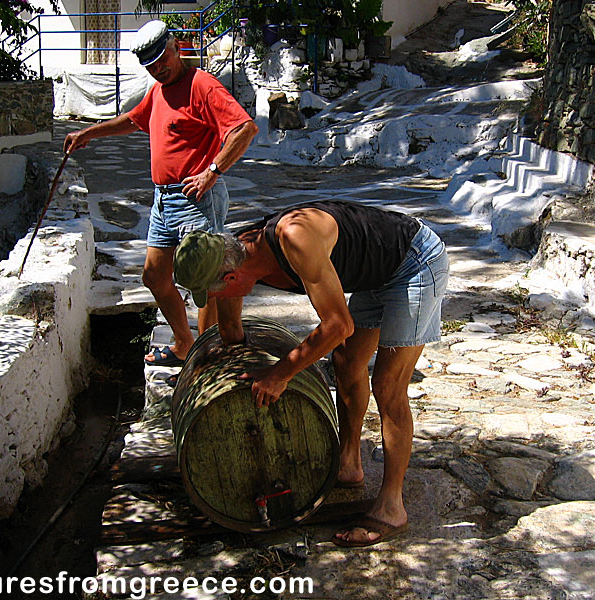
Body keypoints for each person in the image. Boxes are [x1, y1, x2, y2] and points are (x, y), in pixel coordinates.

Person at [172, 200, 449, 547]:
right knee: (346, 363)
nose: (213, 299)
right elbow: (230, 329)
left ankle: (392, 507)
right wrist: (224, 370)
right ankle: (349, 465)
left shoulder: (295, 238)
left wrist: (280, 373)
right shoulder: (232, 251)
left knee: (388, 386)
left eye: (213, 293)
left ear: (230, 277)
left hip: (413, 263)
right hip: (377, 269)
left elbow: (338, 325)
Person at [63, 20, 258, 367]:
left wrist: (212, 172)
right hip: (163, 202)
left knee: (209, 282)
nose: (158, 69)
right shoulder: (158, 91)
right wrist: (88, 134)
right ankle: (185, 343)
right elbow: (133, 120)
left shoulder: (202, 85)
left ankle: (206, 357)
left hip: (196, 200)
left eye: (162, 60)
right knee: (154, 277)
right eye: (150, 66)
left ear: (176, 47)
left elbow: (244, 128)